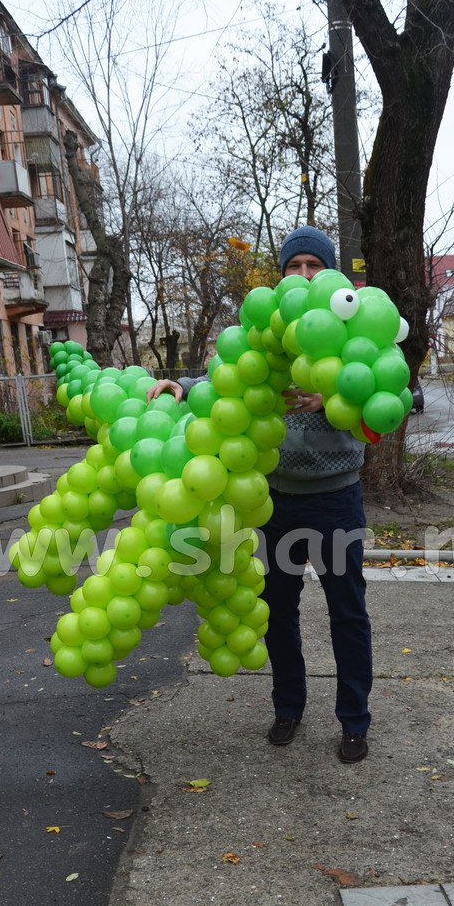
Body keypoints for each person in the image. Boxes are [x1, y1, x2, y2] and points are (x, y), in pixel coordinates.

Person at [147, 226, 372, 763]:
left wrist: (333, 397)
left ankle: (354, 721)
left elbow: (390, 398)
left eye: (314, 265)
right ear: (282, 273)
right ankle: (288, 707)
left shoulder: (353, 328)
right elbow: (228, 378)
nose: (303, 275)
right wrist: (183, 386)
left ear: (330, 272)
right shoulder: (267, 327)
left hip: (336, 498)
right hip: (272, 499)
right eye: (294, 265)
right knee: (277, 611)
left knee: (347, 612)